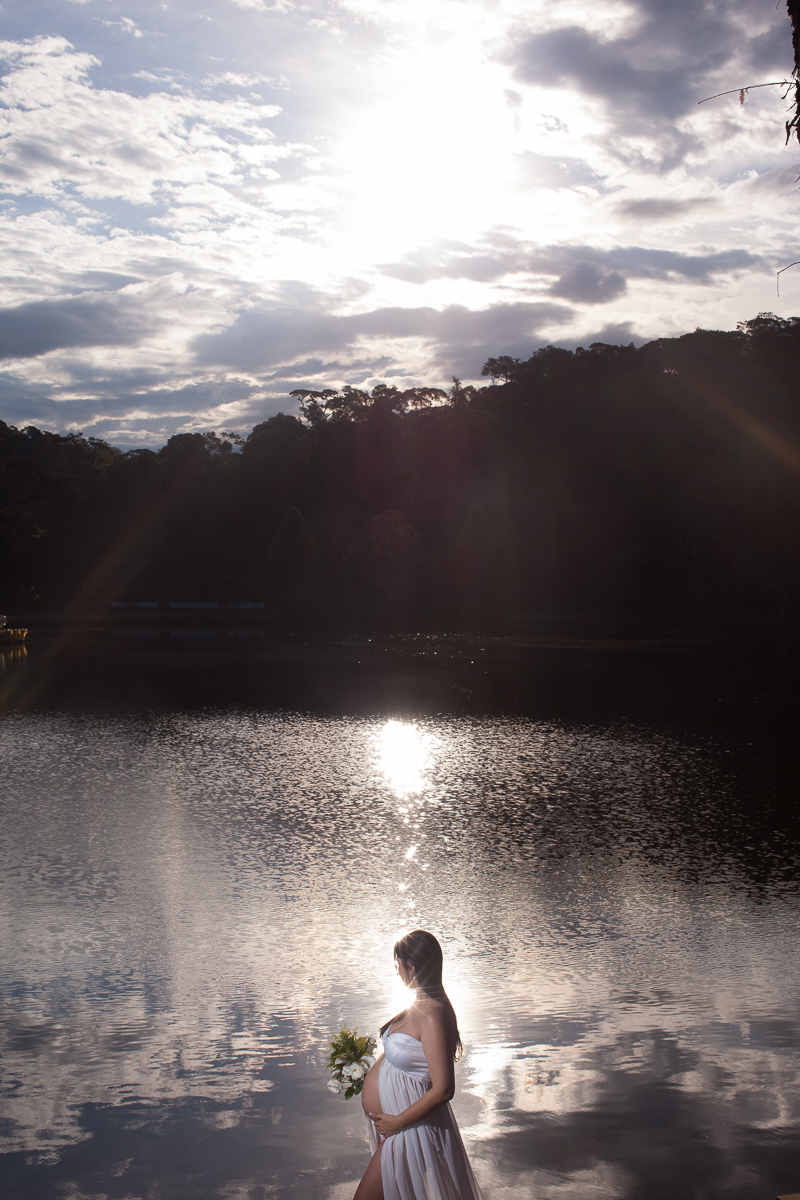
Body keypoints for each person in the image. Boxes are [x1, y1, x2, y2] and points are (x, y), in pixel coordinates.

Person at [354, 929, 483, 1200]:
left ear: (411, 966)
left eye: (397, 965)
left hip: (408, 1129)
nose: (396, 972)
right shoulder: (417, 1007)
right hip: (396, 1129)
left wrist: (397, 1123)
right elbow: (400, 1061)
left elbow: (444, 1089)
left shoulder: (433, 1015)